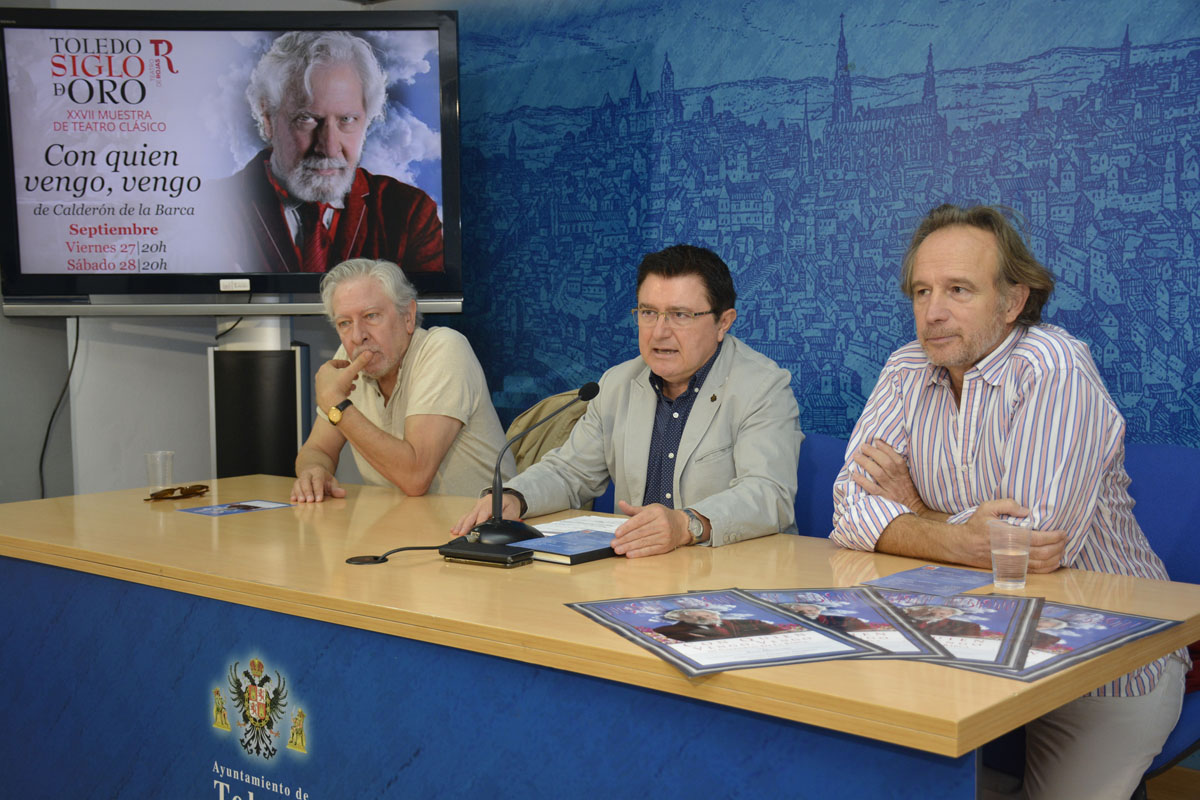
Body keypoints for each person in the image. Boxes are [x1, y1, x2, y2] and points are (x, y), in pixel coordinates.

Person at [830, 203, 1187, 800]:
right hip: (954, 649)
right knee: (860, 773)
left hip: (1100, 659)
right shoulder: (904, 367)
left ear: (1012, 300)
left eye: (959, 289)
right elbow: (848, 510)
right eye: (921, 291)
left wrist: (914, 511)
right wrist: (955, 534)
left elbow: (1029, 543)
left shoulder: (1054, 366)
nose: (933, 312)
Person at [451, 244, 804, 557]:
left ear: (723, 322)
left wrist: (686, 525)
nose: (660, 331)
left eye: (680, 315)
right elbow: (570, 472)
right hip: (637, 571)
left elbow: (769, 494)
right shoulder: (618, 383)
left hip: (732, 573)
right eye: (648, 313)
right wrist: (514, 498)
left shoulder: (762, 386)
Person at [222, 31, 443, 274]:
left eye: (347, 119)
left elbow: (422, 309)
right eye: (306, 118)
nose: (328, 147)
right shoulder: (213, 209)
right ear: (267, 118)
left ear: (366, 121)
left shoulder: (410, 213)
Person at [291, 259, 512, 501]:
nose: (357, 336)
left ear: (408, 316)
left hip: (481, 529)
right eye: (345, 323)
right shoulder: (346, 360)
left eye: (371, 316)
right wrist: (315, 472)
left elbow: (415, 477)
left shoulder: (444, 349)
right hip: (404, 527)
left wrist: (336, 403)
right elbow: (318, 450)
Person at [652, 608, 784, 643]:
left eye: (709, 615)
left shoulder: (732, 623)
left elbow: (761, 625)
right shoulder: (669, 630)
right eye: (698, 617)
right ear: (681, 618)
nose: (705, 617)